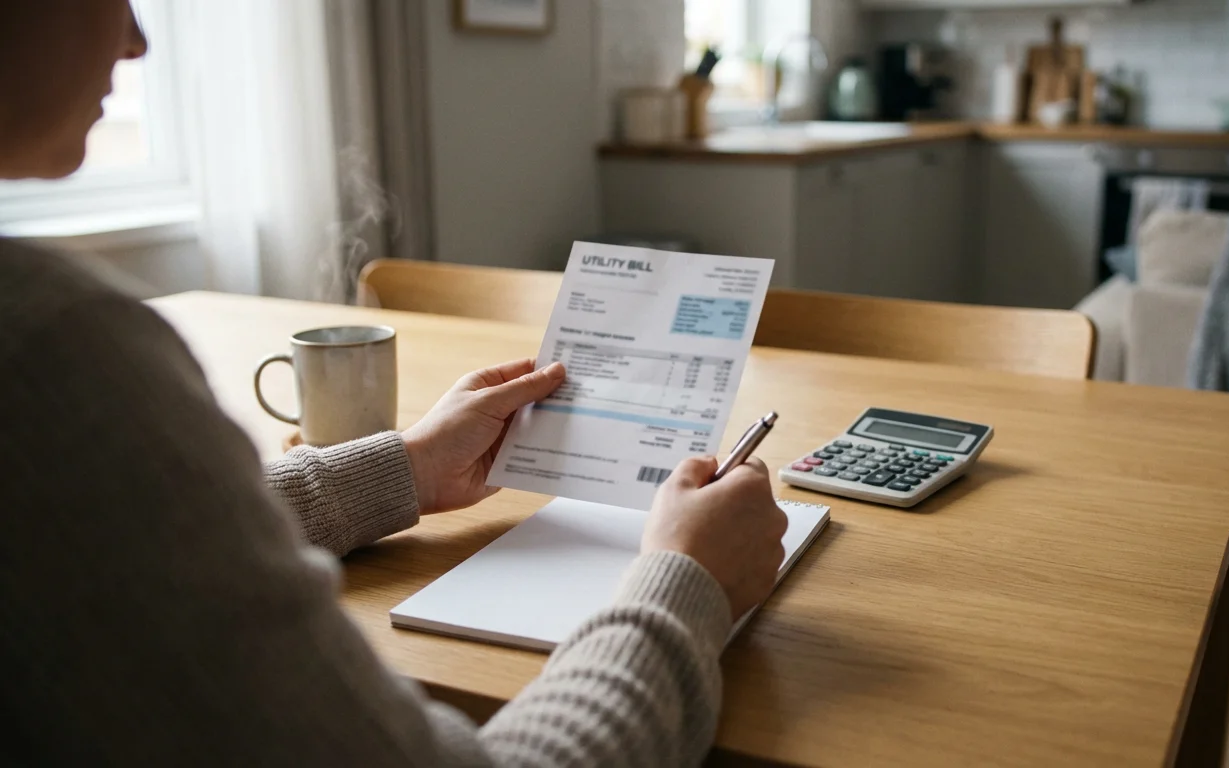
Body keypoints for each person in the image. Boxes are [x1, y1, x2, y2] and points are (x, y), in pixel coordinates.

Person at [0, 2, 790, 765]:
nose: (136, 40)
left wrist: (403, 467)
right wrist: (687, 585)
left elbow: (141, 540)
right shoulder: (49, 351)